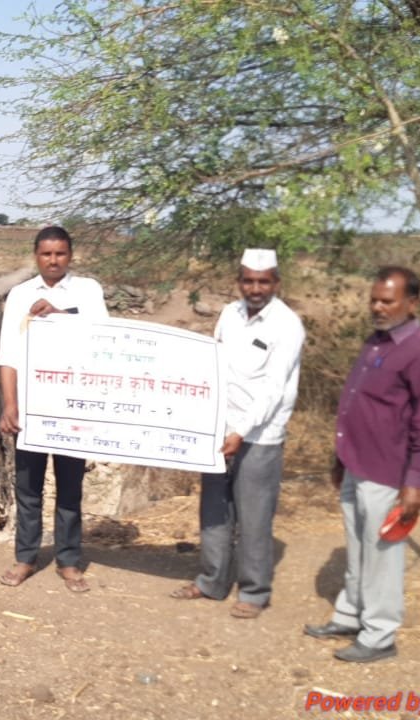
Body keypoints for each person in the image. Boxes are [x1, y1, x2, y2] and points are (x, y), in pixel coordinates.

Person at [303, 266, 420, 663]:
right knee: (358, 547)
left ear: (411, 303)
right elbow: (356, 402)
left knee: (382, 553)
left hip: (388, 471)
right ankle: (350, 615)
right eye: (374, 300)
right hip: (355, 462)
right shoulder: (378, 341)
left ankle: (380, 635)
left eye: (387, 301)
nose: (378, 307)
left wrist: (415, 480)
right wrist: (339, 458)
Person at [170, 248, 305, 619]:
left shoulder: (287, 324)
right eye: (248, 280)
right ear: (239, 281)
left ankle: (254, 592)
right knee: (214, 509)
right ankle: (212, 580)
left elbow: (274, 388)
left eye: (263, 281)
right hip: (220, 429)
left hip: (261, 434)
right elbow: (212, 364)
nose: (255, 288)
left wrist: (242, 430)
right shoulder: (230, 314)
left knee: (254, 515)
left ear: (275, 283)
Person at [0, 225, 108, 593]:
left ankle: (69, 561)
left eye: (60, 254)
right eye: (46, 254)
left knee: (70, 486)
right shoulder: (20, 295)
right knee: (28, 487)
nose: (53, 260)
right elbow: (8, 355)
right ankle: (26, 557)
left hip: (72, 405)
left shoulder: (88, 291)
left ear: (70, 255)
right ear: (36, 256)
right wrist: (10, 405)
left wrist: (58, 313)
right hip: (32, 406)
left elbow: (103, 338)